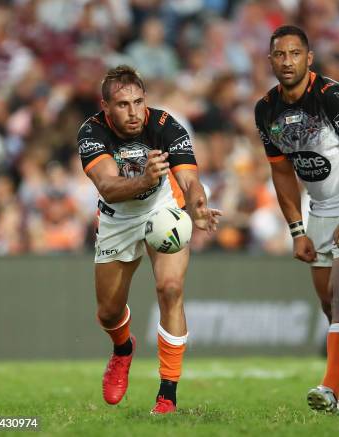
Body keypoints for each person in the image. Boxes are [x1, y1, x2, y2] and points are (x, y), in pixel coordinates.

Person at [255, 25, 339, 413]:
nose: (287, 61)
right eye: (280, 55)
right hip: (319, 210)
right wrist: (297, 230)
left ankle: (329, 388)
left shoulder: (333, 98)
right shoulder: (266, 110)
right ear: (270, 61)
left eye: (295, 54)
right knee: (330, 304)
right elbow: (281, 171)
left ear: (308, 58)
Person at [77, 65, 220, 414]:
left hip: (164, 210)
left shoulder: (165, 125)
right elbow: (109, 188)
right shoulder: (91, 131)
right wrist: (143, 179)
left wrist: (198, 206)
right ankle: (123, 349)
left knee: (170, 289)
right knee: (109, 313)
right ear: (106, 107)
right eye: (123, 105)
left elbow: (189, 179)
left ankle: (167, 394)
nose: (133, 112)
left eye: (138, 102)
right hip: (118, 219)